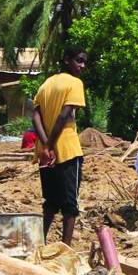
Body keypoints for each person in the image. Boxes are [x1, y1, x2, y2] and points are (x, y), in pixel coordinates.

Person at [32, 46, 89, 245]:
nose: (82, 66)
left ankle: (39, 242)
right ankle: (65, 249)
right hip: (66, 150)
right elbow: (65, 115)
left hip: (45, 152)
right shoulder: (75, 83)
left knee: (50, 202)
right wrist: (50, 146)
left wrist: (45, 146)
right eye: (79, 60)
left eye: (84, 62)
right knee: (69, 204)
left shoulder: (46, 84)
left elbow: (36, 115)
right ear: (67, 59)